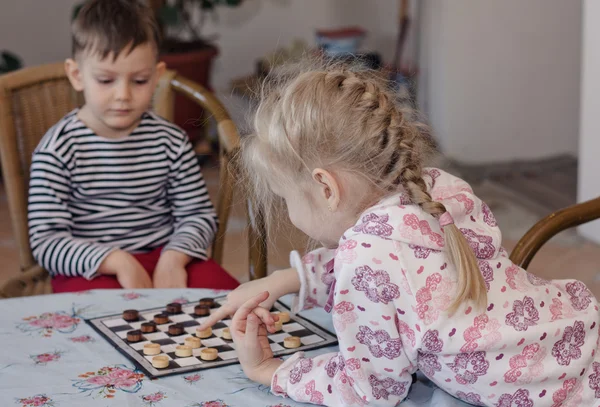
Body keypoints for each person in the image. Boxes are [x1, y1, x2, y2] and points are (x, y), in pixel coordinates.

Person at [199, 57, 600, 406]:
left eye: (284, 197)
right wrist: (287, 279)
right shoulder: (438, 189)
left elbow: (370, 391)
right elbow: (399, 268)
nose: (287, 210)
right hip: (578, 336)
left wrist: (270, 370)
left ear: (325, 188)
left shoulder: (367, 258)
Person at [27, 0, 239, 292]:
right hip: (93, 269)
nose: (123, 95)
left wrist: (175, 257)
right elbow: (47, 242)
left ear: (156, 76)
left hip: (167, 257)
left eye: (139, 80)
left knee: (232, 302)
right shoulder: (56, 150)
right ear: (77, 75)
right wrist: (117, 261)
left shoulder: (171, 141)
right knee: (92, 324)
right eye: (105, 80)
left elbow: (198, 216)